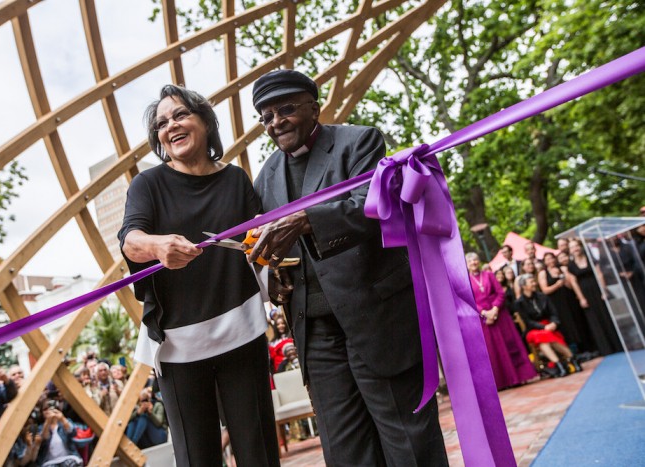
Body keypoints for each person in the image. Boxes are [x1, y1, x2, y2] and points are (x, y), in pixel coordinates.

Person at [248, 69, 448, 466]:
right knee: (345, 451)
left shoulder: (359, 141)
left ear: (314, 107)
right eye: (266, 117)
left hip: (376, 319)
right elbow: (270, 247)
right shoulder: (266, 175)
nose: (276, 123)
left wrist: (308, 219)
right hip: (315, 333)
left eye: (285, 109)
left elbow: (374, 208)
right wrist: (273, 278)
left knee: (407, 442)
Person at [118, 85, 279, 466]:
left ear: (205, 120)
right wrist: (157, 247)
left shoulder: (236, 180)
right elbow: (130, 239)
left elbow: (261, 243)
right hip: (178, 348)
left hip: (242, 333)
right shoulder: (148, 184)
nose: (170, 126)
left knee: (259, 451)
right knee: (197, 457)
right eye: (161, 123)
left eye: (179, 115)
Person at [466, 253, 537, 389]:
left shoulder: (489, 275)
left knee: (509, 344)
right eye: (470, 261)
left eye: (475, 259)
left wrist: (495, 309)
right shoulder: (466, 280)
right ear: (467, 264)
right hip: (484, 320)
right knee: (493, 350)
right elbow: (470, 300)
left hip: (500, 315)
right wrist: (484, 313)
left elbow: (500, 293)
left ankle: (518, 377)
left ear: (479, 261)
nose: (473, 263)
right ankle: (501, 382)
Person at [515, 274, 582, 378]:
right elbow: (528, 321)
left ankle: (560, 366)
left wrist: (554, 323)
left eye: (534, 281)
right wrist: (543, 328)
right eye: (531, 282)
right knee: (542, 335)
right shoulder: (519, 303)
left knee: (543, 340)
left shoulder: (542, 296)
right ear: (523, 286)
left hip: (549, 325)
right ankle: (572, 359)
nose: (535, 284)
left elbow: (553, 313)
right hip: (533, 329)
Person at [567, 239, 622, 356]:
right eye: (572, 247)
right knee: (594, 319)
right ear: (570, 250)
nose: (575, 249)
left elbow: (599, 273)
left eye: (576, 246)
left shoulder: (590, 258)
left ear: (580, 246)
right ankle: (605, 348)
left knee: (607, 315)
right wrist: (581, 298)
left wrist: (604, 290)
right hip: (585, 293)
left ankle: (617, 344)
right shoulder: (570, 265)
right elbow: (574, 282)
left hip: (598, 290)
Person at [36, 399, 82, 467]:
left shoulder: (64, 422)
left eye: (51, 408)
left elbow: (73, 432)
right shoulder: (40, 427)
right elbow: (44, 438)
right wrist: (48, 421)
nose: (48, 411)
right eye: (45, 409)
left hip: (68, 457)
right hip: (50, 462)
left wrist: (62, 418)